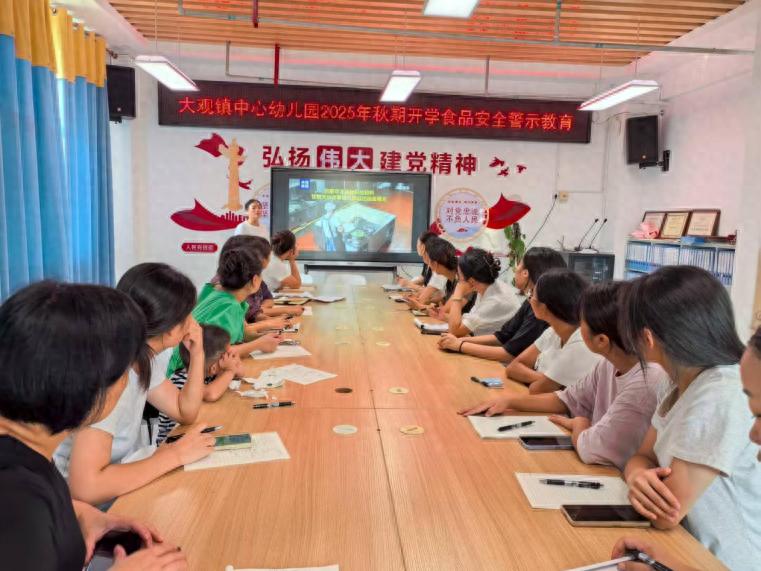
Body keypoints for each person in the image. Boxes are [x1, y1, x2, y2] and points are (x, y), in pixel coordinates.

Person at [0, 281, 186, 570]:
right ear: (87, 389)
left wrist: (83, 515)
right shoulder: (18, 502)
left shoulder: (28, 446)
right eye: (124, 371)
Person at [615, 266, 759, 570]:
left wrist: (641, 479)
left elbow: (665, 513)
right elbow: (642, 456)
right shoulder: (678, 379)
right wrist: (637, 476)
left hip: (724, 561)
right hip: (685, 550)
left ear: (647, 338)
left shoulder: (721, 391)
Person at [55, 264, 215, 506]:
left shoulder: (140, 358)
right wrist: (174, 455)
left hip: (116, 485)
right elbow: (85, 487)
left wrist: (198, 354)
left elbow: (185, 411)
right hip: (82, 508)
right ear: (171, 329)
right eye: (187, 315)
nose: (193, 322)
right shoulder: (111, 377)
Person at [459, 282, 663, 471]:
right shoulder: (609, 364)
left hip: (614, 475)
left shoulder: (646, 381)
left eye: (582, 322)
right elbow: (567, 398)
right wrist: (509, 401)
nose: (578, 327)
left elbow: (592, 449)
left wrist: (579, 424)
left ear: (601, 340)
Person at [167, 248, 281, 378]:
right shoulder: (230, 306)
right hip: (185, 372)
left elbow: (236, 335)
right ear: (255, 280)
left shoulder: (214, 291)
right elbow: (219, 354)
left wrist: (261, 338)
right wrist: (258, 344)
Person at [438, 247, 566, 361]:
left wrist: (460, 345)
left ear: (526, 273)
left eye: (519, 264)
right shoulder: (530, 301)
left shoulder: (538, 310)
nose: (515, 269)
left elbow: (509, 353)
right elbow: (502, 336)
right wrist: (459, 341)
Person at [499, 268, 599, 393]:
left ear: (544, 307)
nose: (530, 299)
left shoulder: (581, 342)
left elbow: (536, 389)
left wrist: (545, 381)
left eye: (532, 294)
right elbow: (513, 367)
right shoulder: (552, 331)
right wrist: (548, 379)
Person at [157, 324, 244, 444]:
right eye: (227, 353)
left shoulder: (209, 374)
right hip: (173, 441)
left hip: (193, 433)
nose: (232, 353)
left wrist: (234, 366)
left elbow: (241, 373)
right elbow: (211, 394)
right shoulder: (181, 379)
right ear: (214, 368)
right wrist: (230, 370)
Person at [446, 248, 521, 337]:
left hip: (497, 345)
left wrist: (458, 293)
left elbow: (455, 331)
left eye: (459, 276)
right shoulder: (487, 286)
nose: (458, 279)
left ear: (471, 281)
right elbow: (465, 322)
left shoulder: (495, 300)